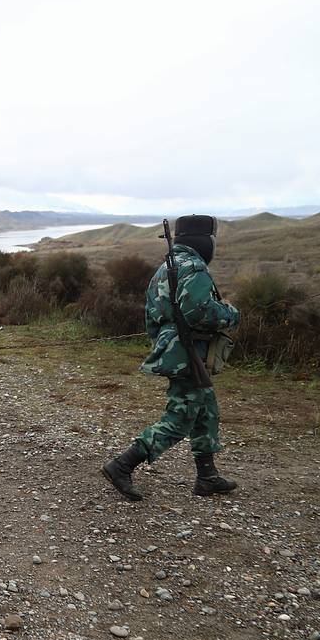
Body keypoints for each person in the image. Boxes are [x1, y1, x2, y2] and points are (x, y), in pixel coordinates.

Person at [102, 215, 241, 501]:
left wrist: (164, 344)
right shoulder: (194, 267)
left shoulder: (166, 268)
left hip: (177, 351)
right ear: (204, 241)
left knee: (205, 410)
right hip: (189, 353)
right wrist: (230, 313)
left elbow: (151, 316)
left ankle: (207, 476)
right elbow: (200, 312)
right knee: (181, 416)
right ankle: (122, 465)